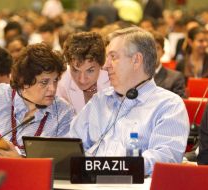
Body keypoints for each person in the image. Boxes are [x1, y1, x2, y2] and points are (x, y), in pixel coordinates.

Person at [69, 27, 189, 175]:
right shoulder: (100, 100)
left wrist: (108, 167)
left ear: (136, 60)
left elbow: (165, 158)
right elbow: (70, 144)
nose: (105, 66)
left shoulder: (169, 106)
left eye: (113, 57)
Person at [0, 43, 75, 157]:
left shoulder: (63, 111)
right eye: (44, 82)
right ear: (24, 81)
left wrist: (21, 162)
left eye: (55, 80)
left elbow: (63, 162)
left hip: (28, 177)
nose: (53, 89)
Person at [57, 32, 110, 113]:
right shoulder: (61, 83)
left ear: (101, 65)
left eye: (90, 71)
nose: (82, 80)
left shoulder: (113, 80)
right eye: (75, 70)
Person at [152, 31, 186, 98]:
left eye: (157, 48)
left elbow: (179, 105)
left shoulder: (175, 77)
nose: (153, 53)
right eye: (149, 48)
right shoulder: (136, 76)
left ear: (163, 52)